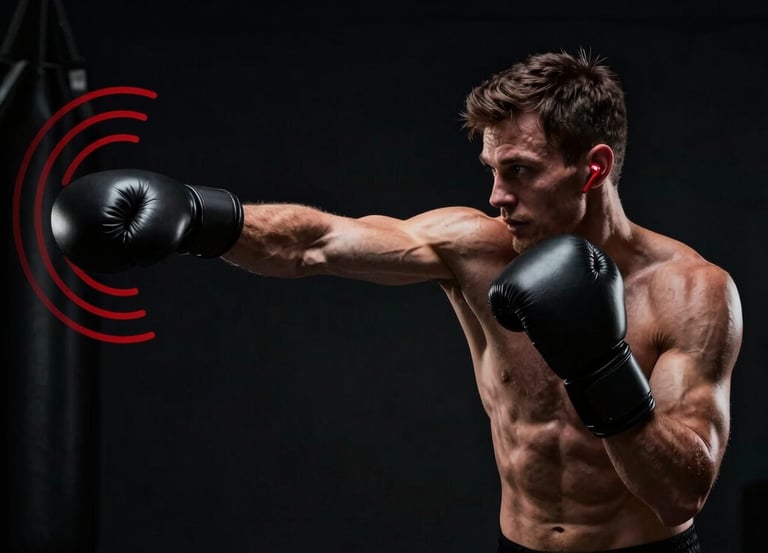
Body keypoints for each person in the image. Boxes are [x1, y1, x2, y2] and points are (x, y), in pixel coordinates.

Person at [50, 49, 743, 552]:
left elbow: (682, 490)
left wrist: (600, 366)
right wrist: (200, 216)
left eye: (520, 172)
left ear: (592, 167)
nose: (497, 197)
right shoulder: (477, 248)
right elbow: (316, 242)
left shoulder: (691, 291)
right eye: (491, 171)